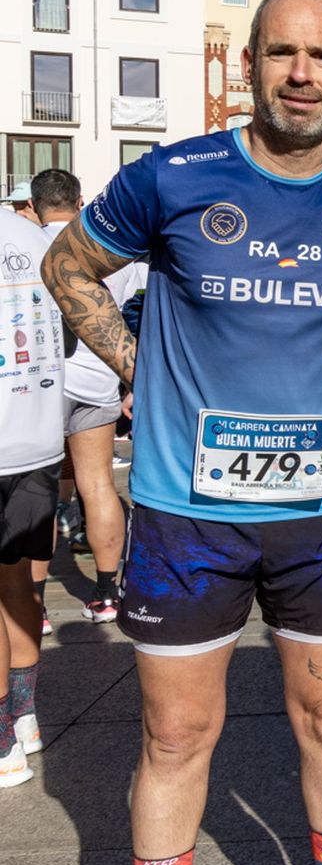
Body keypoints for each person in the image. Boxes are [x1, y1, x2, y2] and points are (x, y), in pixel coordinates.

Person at [43, 0, 322, 865]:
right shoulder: (174, 176)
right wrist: (134, 362)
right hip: (184, 515)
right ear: (248, 65)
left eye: (321, 57)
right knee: (175, 734)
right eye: (281, 53)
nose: (300, 74)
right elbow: (66, 265)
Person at [33, 168, 144, 623]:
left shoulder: (24, 242)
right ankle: (107, 594)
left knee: (37, 491)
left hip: (38, 384)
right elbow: (138, 298)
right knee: (98, 484)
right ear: (79, 201)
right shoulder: (103, 244)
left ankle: (33, 604)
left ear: (34, 204)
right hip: (98, 378)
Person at [0, 205, 67, 785]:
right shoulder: (35, 237)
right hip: (38, 438)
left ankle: (2, 744)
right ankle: (24, 718)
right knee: (16, 580)